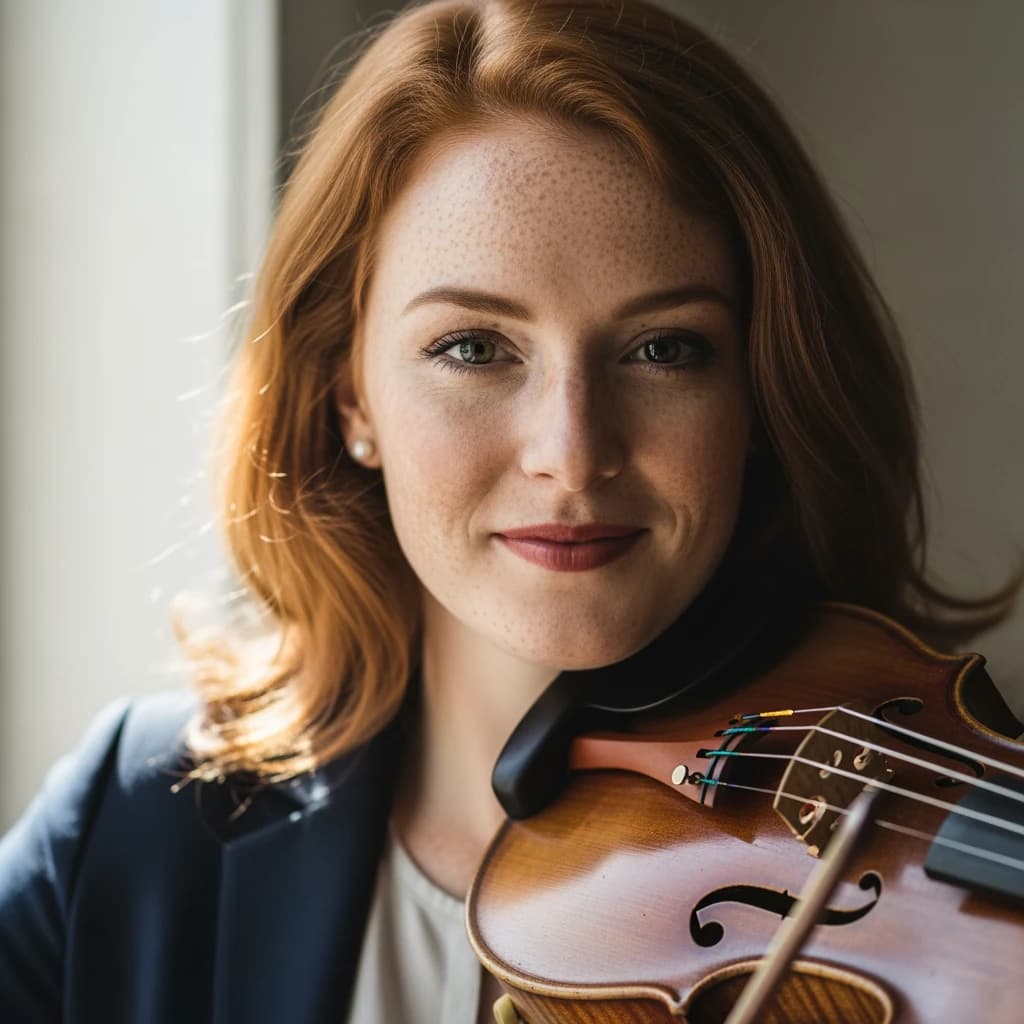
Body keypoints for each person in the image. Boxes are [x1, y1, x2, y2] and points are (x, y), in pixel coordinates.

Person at [1, 0, 1019, 1021]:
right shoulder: (127, 827)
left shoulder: (933, 868)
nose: (571, 455)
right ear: (348, 394)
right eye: (474, 349)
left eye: (663, 348)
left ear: (757, 388)